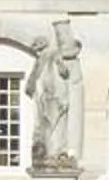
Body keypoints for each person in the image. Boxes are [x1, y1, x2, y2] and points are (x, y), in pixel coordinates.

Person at [24, 18, 83, 171]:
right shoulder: (44, 58)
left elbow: (63, 72)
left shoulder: (53, 55)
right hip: (47, 99)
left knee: (55, 127)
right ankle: (51, 154)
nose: (37, 51)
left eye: (38, 47)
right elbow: (31, 84)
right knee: (49, 127)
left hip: (55, 98)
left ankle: (56, 154)